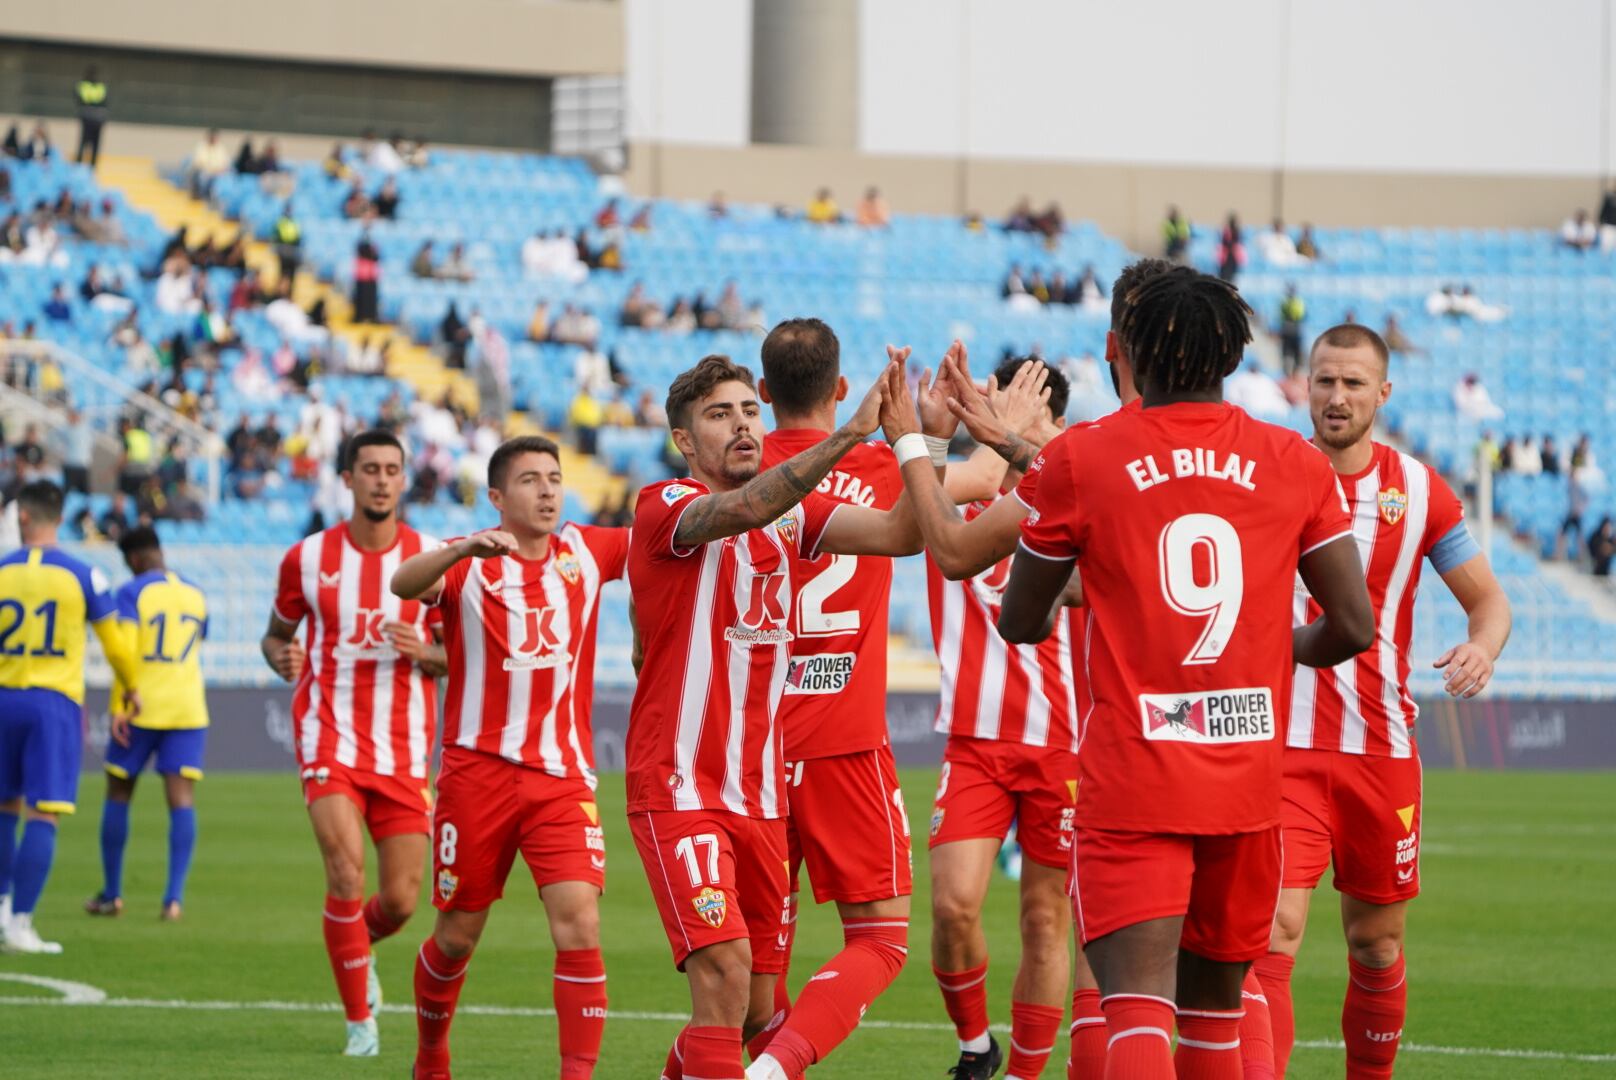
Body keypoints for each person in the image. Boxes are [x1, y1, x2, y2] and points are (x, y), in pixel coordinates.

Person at [998, 267, 1375, 1079]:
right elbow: (1353, 625)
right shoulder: (1295, 462)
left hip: (1134, 777)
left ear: (1134, 351)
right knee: (1214, 1019)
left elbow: (1019, 620)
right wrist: (1277, 650)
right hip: (1246, 781)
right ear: (1231, 355)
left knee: (1134, 1006)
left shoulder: (1081, 458)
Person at [626, 352, 928, 1080]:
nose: (740, 426)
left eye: (749, 411)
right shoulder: (663, 505)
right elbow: (740, 508)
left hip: (761, 797)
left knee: (757, 1009)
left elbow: (903, 535)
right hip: (681, 785)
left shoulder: (794, 516)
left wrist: (916, 441)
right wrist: (852, 437)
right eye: (718, 415)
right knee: (725, 972)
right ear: (684, 442)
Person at [746, 320, 1012, 1078]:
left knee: (754, 989)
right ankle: (773, 1070)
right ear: (838, 390)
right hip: (843, 744)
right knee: (881, 939)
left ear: (763, 396)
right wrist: (976, 417)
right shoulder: (876, 469)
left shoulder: (735, 479)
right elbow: (984, 483)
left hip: (749, 752)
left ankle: (756, 1061)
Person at [1251, 323, 1512, 1080]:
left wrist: (1482, 647)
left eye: (1353, 383)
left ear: (1382, 393)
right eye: (1324, 380)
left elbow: (1489, 601)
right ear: (1304, 383)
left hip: (1381, 751)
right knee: (1275, 932)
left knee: (1377, 944)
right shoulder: (1266, 472)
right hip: (1281, 746)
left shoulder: (1419, 489)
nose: (1336, 397)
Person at [391, 436, 626, 1080]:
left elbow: (665, 544)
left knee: (579, 926)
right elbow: (402, 581)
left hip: (562, 776)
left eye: (554, 478)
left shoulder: (586, 548)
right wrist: (463, 547)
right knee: (456, 936)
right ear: (497, 498)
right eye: (530, 480)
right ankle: (431, 1058)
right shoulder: (470, 562)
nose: (548, 490)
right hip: (477, 777)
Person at [259, 431, 448, 1057]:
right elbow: (275, 635)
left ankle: (356, 946)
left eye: (393, 470)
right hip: (328, 736)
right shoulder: (307, 559)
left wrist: (427, 653)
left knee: (399, 899)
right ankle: (360, 1022)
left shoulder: (430, 558)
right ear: (348, 479)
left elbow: (459, 653)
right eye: (370, 469)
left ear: (403, 480)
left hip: (402, 748)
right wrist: (280, 657)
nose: (382, 480)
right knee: (345, 871)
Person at [0, 481, 142, 953]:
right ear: (58, 518)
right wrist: (131, 689)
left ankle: (1, 907)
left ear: (21, 517)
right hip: (53, 702)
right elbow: (118, 644)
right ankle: (20, 924)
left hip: (3, 695)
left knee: (4, 807)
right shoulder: (83, 573)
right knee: (45, 812)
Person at [83, 528, 209, 921]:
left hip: (141, 706)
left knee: (119, 792)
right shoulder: (196, 593)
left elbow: (125, 651)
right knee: (181, 800)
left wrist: (121, 705)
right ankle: (173, 899)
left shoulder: (133, 592)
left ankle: (113, 894)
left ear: (134, 558)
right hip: (188, 707)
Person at [74, 66, 108, 166]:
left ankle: (86, 166)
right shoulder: (99, 87)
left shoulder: (84, 86)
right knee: (88, 144)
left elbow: (78, 100)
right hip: (93, 119)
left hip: (91, 118)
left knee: (88, 144)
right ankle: (83, 166)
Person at [352, 232, 381, 324]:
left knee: (371, 299)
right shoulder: (361, 247)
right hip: (362, 275)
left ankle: (371, 316)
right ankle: (360, 317)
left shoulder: (373, 248)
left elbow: (376, 257)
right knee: (361, 298)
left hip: (370, 275)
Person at [1279, 285, 1306, 377]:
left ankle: (1294, 372)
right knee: (1288, 354)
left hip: (1292, 330)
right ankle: (1289, 373)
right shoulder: (1289, 302)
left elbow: (1299, 314)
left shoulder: (1295, 302)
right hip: (1290, 330)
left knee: (1294, 354)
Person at [273, 205, 302, 285]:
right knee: (282, 273)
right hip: (283, 251)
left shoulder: (295, 222)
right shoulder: (280, 222)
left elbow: (297, 238)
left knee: (292, 274)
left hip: (292, 252)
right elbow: (276, 237)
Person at [1217, 212, 1245, 282]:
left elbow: (1234, 243)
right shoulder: (1228, 232)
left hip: (1231, 257)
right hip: (1227, 257)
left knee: (1230, 275)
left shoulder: (1235, 232)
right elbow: (1225, 243)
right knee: (1225, 275)